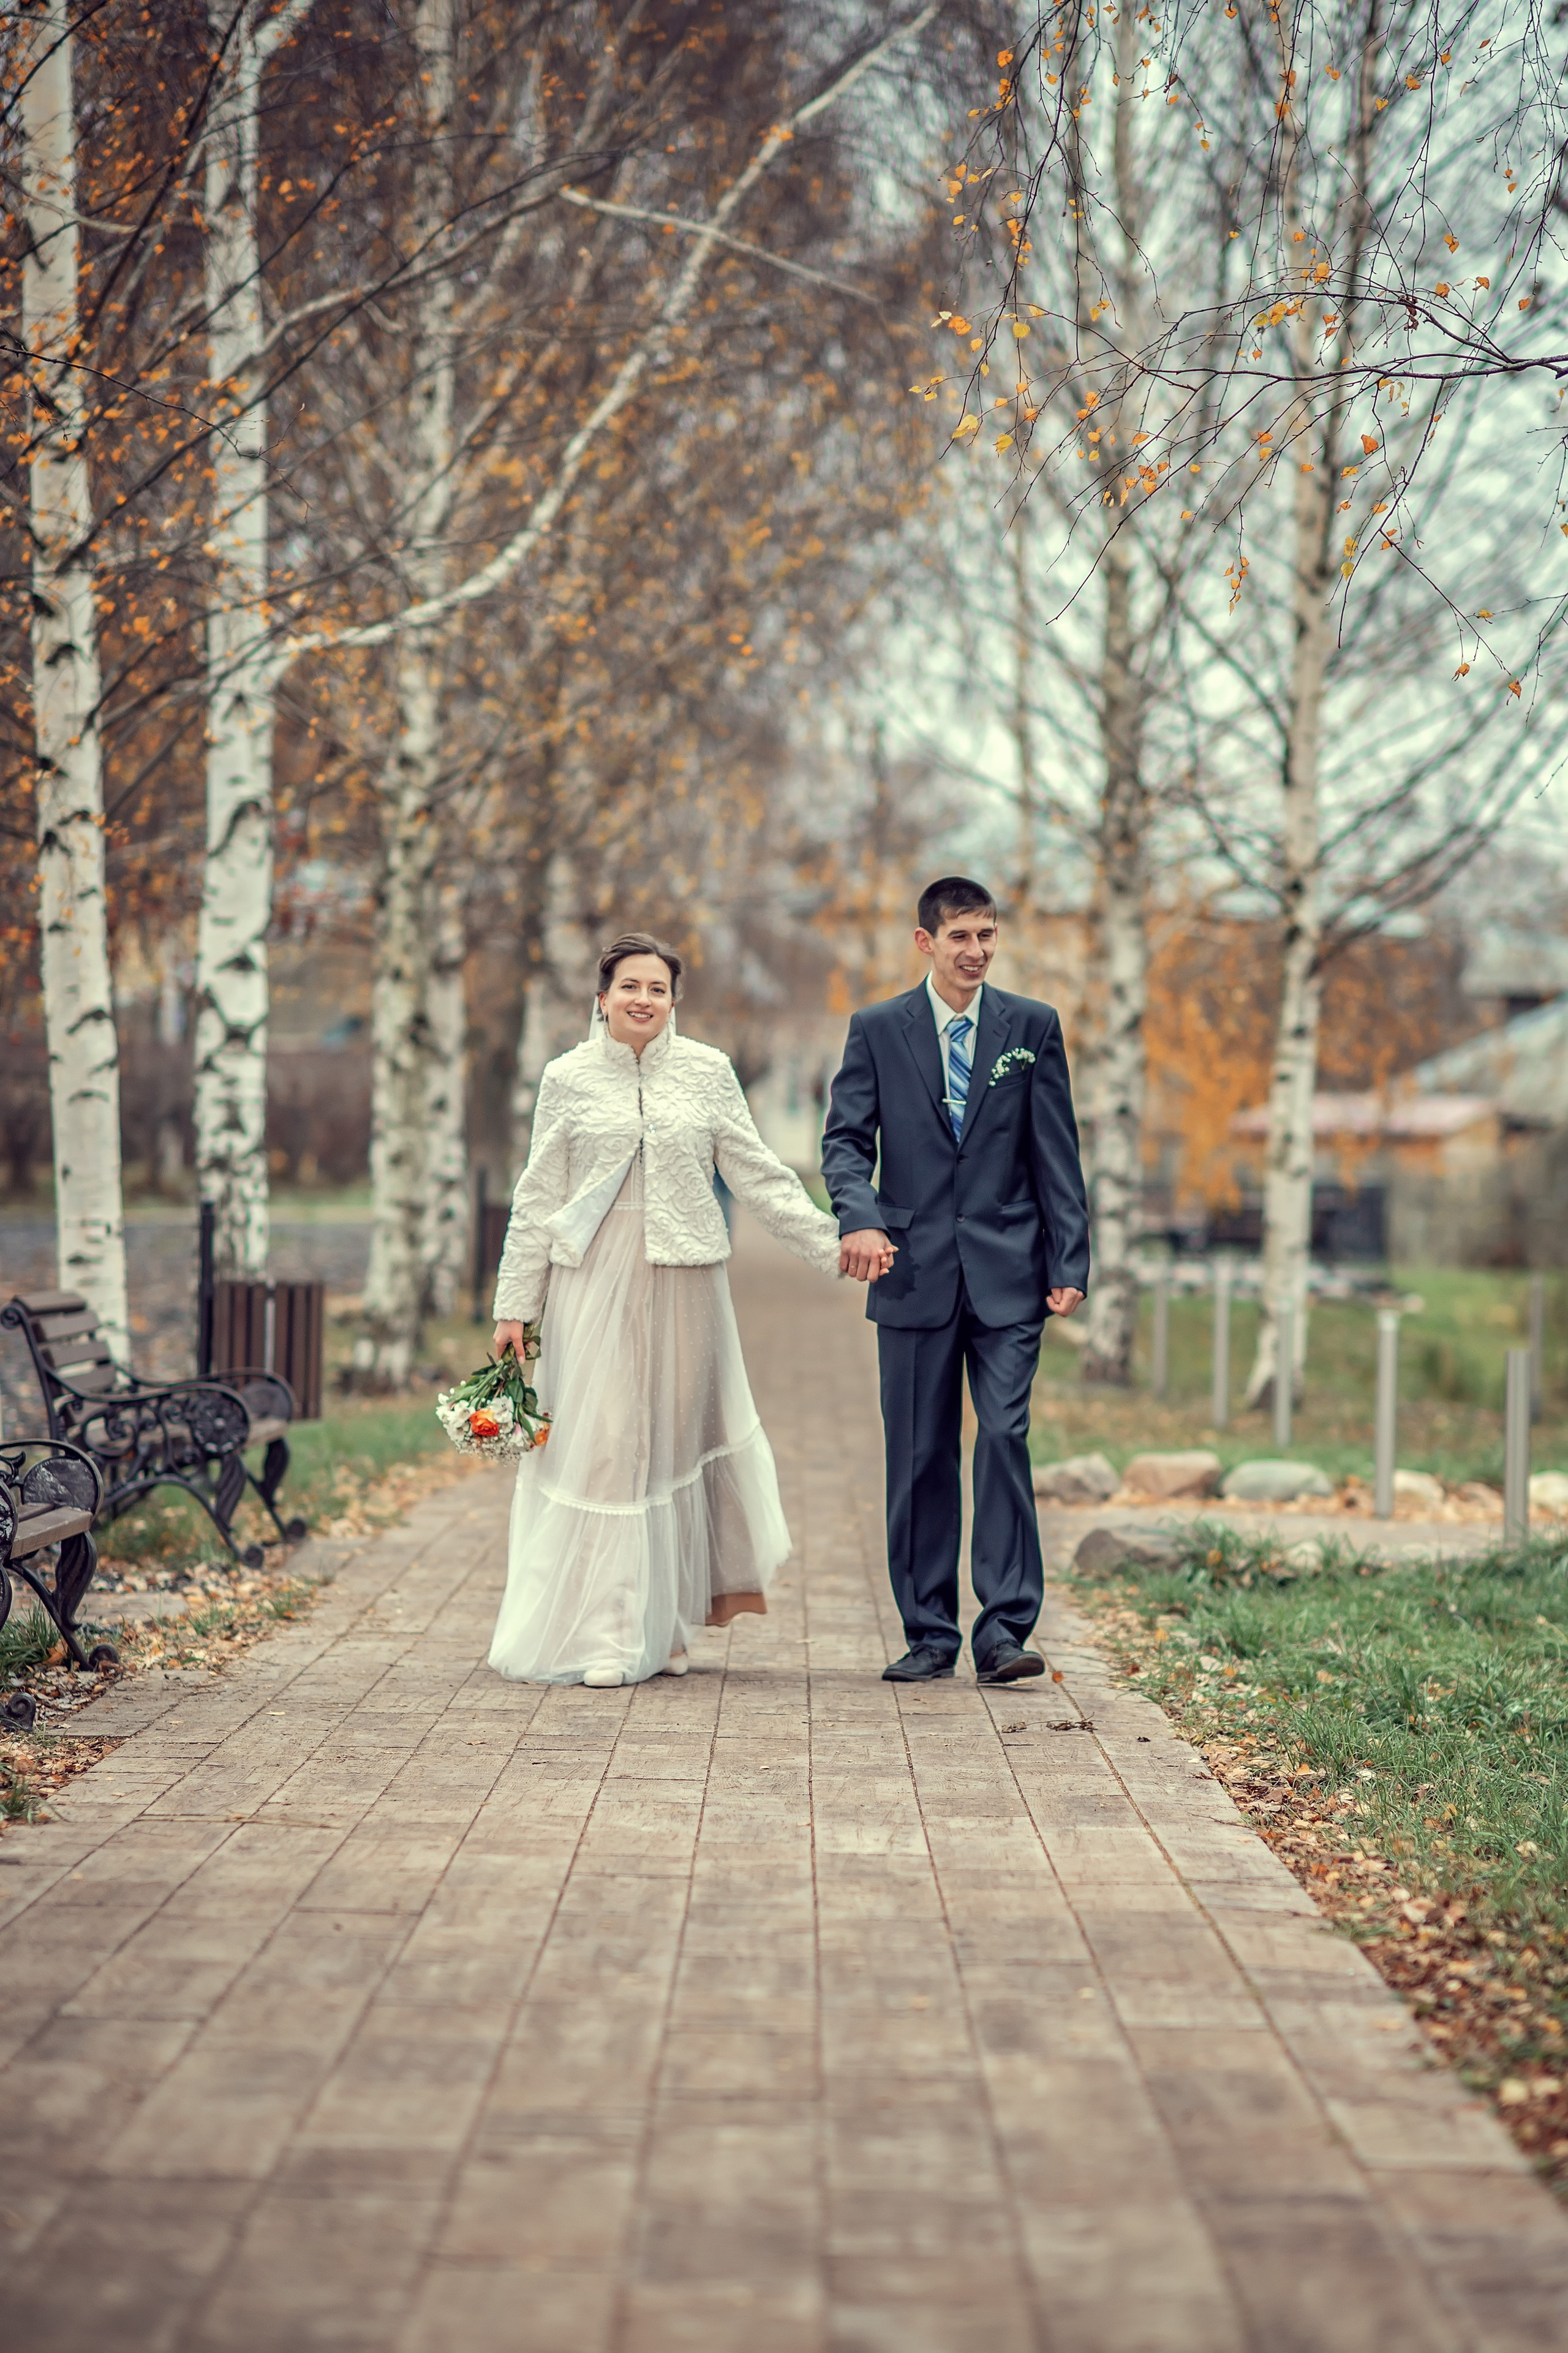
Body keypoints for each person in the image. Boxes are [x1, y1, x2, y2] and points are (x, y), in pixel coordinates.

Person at [488, 931, 842, 1688]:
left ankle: (666, 1625)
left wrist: (833, 1246)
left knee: (673, 1450)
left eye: (657, 988)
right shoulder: (567, 1078)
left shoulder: (709, 1072)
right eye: (630, 987)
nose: (643, 999)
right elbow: (537, 1194)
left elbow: (759, 1174)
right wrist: (515, 1305)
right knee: (611, 1450)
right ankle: (612, 1636)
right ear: (602, 997)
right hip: (594, 1284)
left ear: (673, 999)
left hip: (688, 1285)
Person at [821, 877, 1090, 1684]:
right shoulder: (876, 1030)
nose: (975, 951)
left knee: (1004, 1437)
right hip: (913, 1274)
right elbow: (843, 1143)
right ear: (925, 942)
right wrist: (858, 1217)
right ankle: (930, 1632)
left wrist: (1070, 1258)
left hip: (1011, 1273)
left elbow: (1057, 1151)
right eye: (960, 937)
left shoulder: (1031, 1027)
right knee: (920, 1454)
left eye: (987, 936)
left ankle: (1004, 1631)